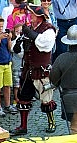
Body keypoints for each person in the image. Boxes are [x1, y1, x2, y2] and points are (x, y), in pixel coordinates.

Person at [11, 5, 57, 135]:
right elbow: (21, 50)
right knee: (23, 97)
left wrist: (28, 33)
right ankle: (23, 126)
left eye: (32, 14)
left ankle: (51, 122)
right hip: (27, 70)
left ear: (39, 17)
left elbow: (45, 45)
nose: (29, 16)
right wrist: (18, 45)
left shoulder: (48, 30)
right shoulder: (29, 29)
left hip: (42, 71)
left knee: (46, 98)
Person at [10, 23, 24, 106]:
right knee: (16, 84)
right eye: (17, 31)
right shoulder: (14, 41)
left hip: (23, 65)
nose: (19, 33)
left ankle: (23, 97)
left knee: (23, 83)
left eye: (21, 31)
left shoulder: (25, 40)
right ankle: (16, 98)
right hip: (16, 65)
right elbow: (12, 49)